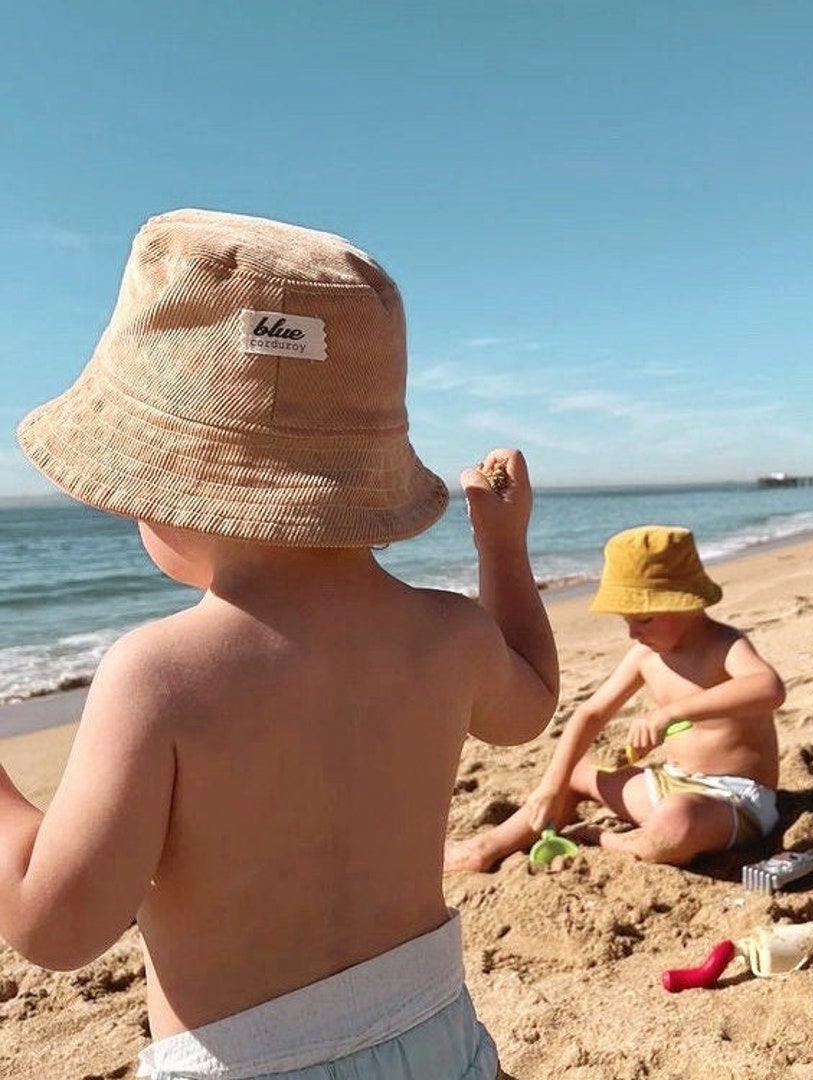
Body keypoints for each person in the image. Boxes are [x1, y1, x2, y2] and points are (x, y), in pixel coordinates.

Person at [3, 209, 559, 1080]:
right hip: (437, 1036)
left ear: (170, 490)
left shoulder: (159, 677)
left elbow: (55, 925)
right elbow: (529, 706)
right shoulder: (451, 633)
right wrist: (503, 549)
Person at [445, 525, 784, 871]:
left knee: (676, 822)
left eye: (644, 620)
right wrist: (549, 785)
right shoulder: (645, 655)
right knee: (574, 774)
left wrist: (670, 713)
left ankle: (602, 838)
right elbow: (591, 713)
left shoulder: (724, 646)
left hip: (733, 800)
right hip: (668, 784)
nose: (633, 632)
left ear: (686, 603)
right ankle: (486, 847)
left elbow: (768, 687)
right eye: (627, 621)